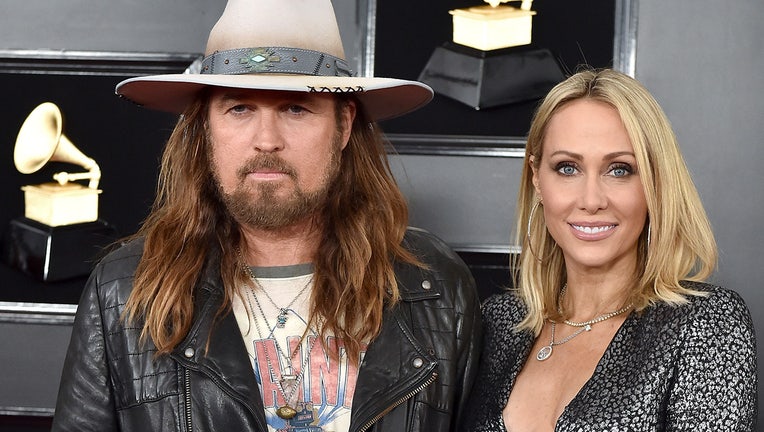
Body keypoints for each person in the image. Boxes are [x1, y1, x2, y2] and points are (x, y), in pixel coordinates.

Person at [51, 1, 481, 431]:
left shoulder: (435, 283)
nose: (266, 140)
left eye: (296, 108)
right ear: (205, 129)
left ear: (344, 125)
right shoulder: (125, 289)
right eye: (239, 108)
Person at [461, 69, 756, 431]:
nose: (591, 200)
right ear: (537, 177)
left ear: (654, 183)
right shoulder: (499, 322)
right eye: (567, 168)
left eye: (619, 170)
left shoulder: (707, 323)